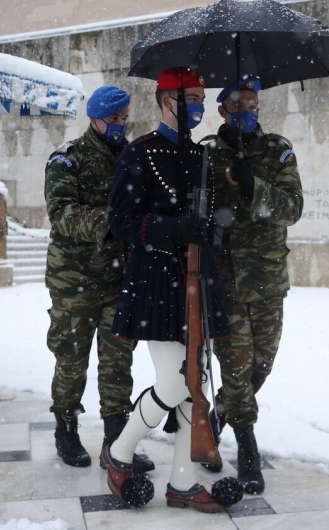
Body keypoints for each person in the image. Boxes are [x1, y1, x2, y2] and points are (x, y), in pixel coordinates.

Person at [101, 67, 238, 512]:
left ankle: (182, 482)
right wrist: (177, 228)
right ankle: (120, 452)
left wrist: (216, 226)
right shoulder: (139, 154)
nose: (200, 106)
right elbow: (121, 221)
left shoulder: (200, 157)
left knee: (193, 382)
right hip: (158, 282)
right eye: (192, 98)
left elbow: (209, 221)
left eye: (202, 98)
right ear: (167, 100)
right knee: (176, 382)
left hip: (198, 281)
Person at [200, 75, 304, 494]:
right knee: (236, 364)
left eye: (252, 103)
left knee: (261, 363)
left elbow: (292, 208)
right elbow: (200, 210)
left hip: (266, 279)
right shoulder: (207, 153)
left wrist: (252, 186)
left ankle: (220, 414)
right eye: (236, 104)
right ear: (222, 109)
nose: (245, 110)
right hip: (225, 278)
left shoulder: (279, 150)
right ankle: (246, 444)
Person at [44, 86, 154, 473]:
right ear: (95, 118)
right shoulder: (67, 160)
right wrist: (113, 223)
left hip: (117, 279)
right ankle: (66, 429)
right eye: (114, 119)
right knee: (71, 360)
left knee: (117, 362)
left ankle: (116, 440)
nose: (120, 125)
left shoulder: (132, 158)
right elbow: (62, 213)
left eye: (125, 118)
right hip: (73, 280)